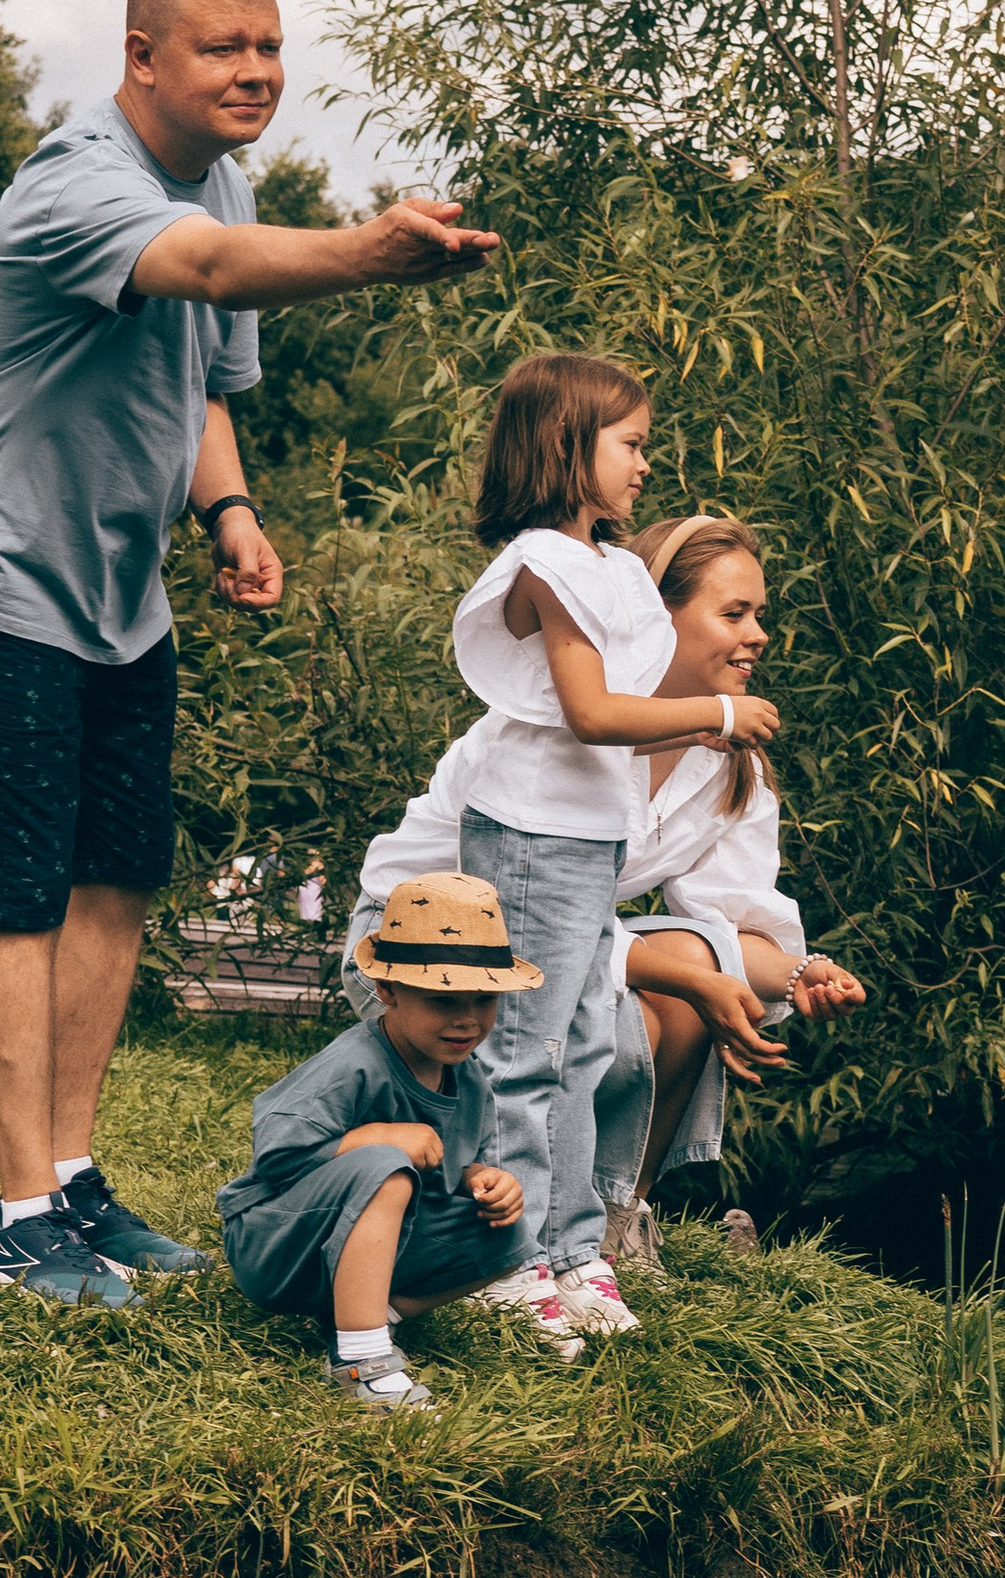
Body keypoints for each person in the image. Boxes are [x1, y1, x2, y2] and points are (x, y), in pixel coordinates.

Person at [0, 0, 497, 1313]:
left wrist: (228, 511)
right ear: (142, 56)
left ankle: (76, 1179)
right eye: (224, 46)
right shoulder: (74, 185)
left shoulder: (213, 174)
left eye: (271, 44)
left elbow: (203, 375)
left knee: (117, 880)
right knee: (18, 895)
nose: (256, 71)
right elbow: (216, 273)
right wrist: (367, 250)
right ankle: (17, 1215)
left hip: (117, 599)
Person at [345, 516, 863, 1271]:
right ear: (658, 617)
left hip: (552, 957)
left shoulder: (728, 769)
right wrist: (692, 977)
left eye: (760, 616)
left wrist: (797, 973)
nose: (757, 636)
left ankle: (617, 1221)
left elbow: (728, 924)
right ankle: (503, 1242)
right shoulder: (551, 735)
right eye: (733, 614)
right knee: (663, 994)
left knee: (688, 966)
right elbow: (516, 915)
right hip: (427, 955)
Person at [443, 357, 779, 1362]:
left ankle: (571, 1244)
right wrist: (715, 714)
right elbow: (592, 714)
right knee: (525, 1048)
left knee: (586, 1045)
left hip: (584, 842)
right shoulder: (544, 565)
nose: (645, 461)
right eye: (628, 443)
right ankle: (504, 1259)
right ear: (565, 449)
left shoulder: (605, 564)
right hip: (534, 837)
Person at [217, 874, 535, 1410]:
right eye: (442, 1000)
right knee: (385, 1165)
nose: (466, 1019)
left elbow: (440, 1169)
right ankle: (360, 1361)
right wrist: (372, 1137)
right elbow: (276, 1156)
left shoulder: (469, 1079)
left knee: (509, 1233)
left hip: (359, 1251)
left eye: (485, 999)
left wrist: (475, 1178)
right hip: (275, 1244)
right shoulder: (353, 1065)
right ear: (386, 991)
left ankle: (365, 1317)